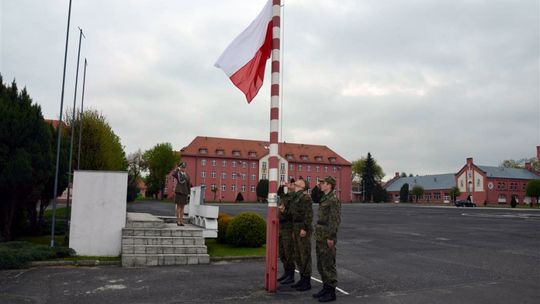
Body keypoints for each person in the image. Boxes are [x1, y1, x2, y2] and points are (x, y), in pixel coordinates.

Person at [313, 176, 341, 302]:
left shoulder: (333, 200)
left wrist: (331, 237)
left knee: (328, 264)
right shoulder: (324, 198)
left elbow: (335, 220)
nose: (320, 185)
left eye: (323, 183)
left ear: (329, 185)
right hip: (320, 235)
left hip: (327, 236)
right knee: (321, 263)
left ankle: (331, 292)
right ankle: (325, 287)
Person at [290, 178, 313, 292]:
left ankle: (307, 281)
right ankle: (302, 279)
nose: (298, 181)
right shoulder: (296, 195)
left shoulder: (305, 197)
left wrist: (304, 228)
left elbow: (308, 214)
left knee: (305, 255)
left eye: (301, 181)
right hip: (296, 227)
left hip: (302, 227)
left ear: (304, 186)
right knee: (298, 255)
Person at [277, 178, 296, 285]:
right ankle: (286, 272)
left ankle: (291, 275)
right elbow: (279, 193)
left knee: (289, 252)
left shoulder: (294, 197)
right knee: (282, 252)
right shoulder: (286, 195)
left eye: (291, 183)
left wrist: (284, 211)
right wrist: (282, 185)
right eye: (288, 183)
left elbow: (292, 212)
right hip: (282, 226)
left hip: (289, 226)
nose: (288, 184)